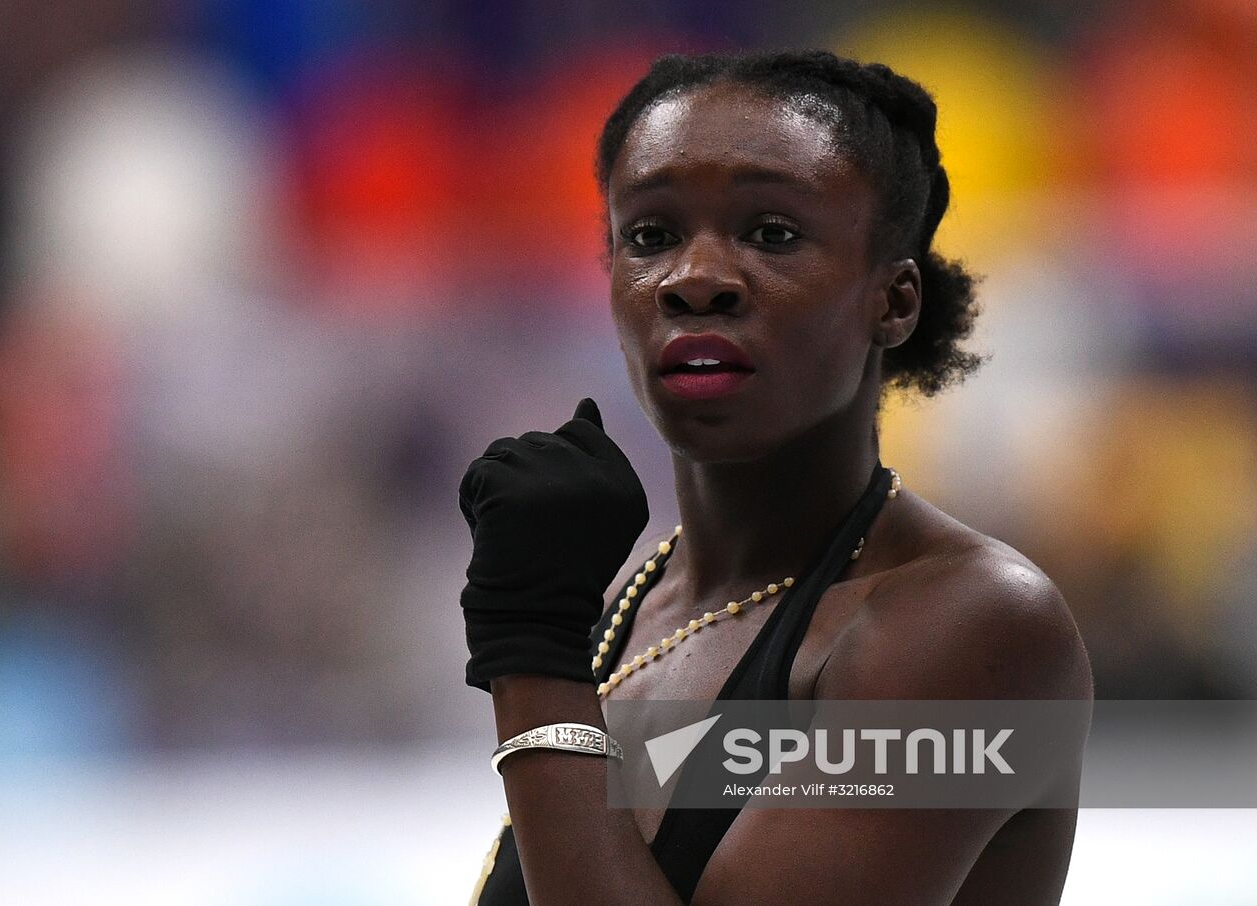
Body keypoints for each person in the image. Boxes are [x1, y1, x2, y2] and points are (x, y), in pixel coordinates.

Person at [458, 50, 1093, 905]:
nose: (695, 280)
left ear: (894, 301)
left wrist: (529, 651)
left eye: (772, 233)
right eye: (651, 237)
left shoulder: (977, 627)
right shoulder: (627, 612)